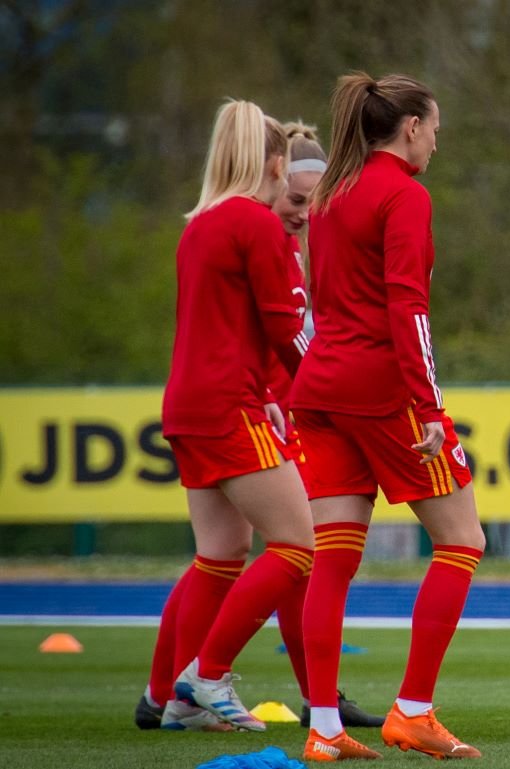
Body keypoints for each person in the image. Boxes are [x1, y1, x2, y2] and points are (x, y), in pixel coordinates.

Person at [291, 71, 485, 762]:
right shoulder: (403, 193)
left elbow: (317, 298)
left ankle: (322, 727)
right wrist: (428, 403)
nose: (437, 139)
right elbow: (409, 306)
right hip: (382, 391)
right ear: (410, 128)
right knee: (463, 541)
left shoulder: (329, 196)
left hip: (318, 391)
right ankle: (414, 710)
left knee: (334, 562)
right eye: (434, 127)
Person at [161, 100, 316, 734]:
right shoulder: (255, 225)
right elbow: (287, 330)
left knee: (221, 553)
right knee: (298, 545)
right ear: (276, 164)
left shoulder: (201, 222)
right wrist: (322, 392)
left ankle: (177, 701)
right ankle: (209, 674)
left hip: (188, 405)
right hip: (230, 405)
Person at [268, 122, 386, 731]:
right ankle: (196, 680)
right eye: (295, 200)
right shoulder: (261, 241)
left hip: (296, 407)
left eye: (315, 202)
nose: (306, 213)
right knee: (280, 553)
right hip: (270, 409)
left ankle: (322, 705)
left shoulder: (319, 246)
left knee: (283, 555)